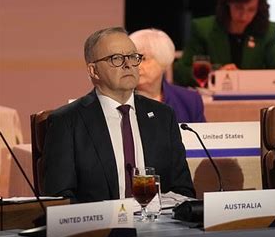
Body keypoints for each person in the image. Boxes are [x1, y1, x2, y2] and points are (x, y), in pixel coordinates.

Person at [43, 27, 195, 203]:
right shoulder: (67, 122)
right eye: (116, 58)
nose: (128, 64)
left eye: (133, 57)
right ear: (93, 71)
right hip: (99, 227)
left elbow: (183, 189)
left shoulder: (163, 116)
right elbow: (59, 198)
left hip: (159, 225)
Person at [174, 0, 275, 87]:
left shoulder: (266, 31)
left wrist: (245, 78)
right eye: (239, 8)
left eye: (251, 9)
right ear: (227, 4)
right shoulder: (204, 29)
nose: (244, 16)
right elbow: (180, 72)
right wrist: (216, 73)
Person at [129, 29, 206, 123]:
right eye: (132, 58)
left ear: (163, 60)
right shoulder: (118, 101)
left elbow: (200, 136)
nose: (136, 65)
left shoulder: (190, 100)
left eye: (144, 58)